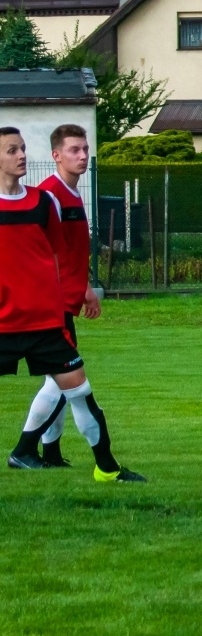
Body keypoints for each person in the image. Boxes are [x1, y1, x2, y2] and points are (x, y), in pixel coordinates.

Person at [1, 127, 143, 482]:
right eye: (11, 150)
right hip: (6, 323)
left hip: (45, 322)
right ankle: (30, 451)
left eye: (22, 148)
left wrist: (76, 291)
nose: (21, 155)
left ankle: (106, 469)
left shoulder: (42, 203)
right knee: (64, 390)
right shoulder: (51, 194)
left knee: (78, 391)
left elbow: (56, 255)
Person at [11, 124, 100, 468]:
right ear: (56, 155)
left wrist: (86, 287)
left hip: (66, 299)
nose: (82, 156)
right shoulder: (50, 195)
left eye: (85, 149)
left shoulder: (72, 192)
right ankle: (23, 450)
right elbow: (47, 255)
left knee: (60, 379)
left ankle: (49, 453)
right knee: (65, 379)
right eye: (74, 150)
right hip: (52, 303)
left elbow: (72, 254)